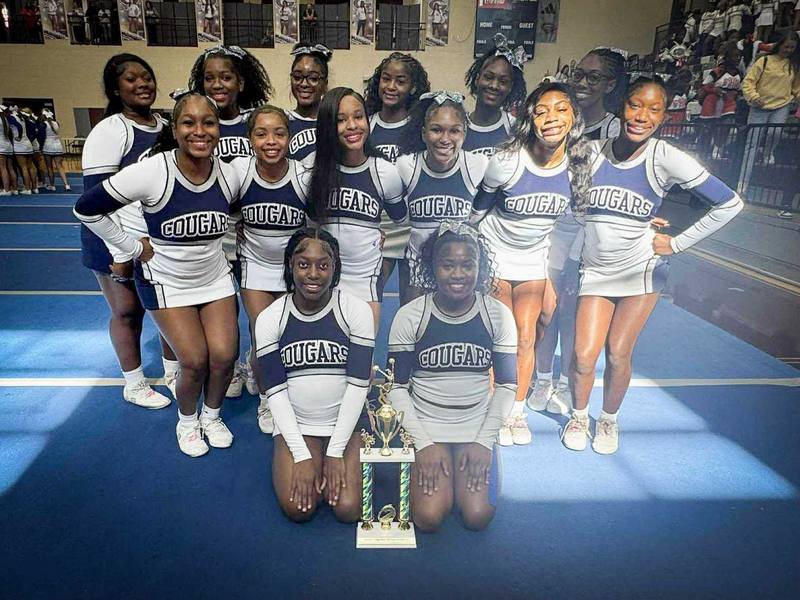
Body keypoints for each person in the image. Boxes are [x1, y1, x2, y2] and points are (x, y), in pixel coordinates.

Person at [565, 77, 744, 455]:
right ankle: (578, 415)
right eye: (634, 105)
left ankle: (609, 420)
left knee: (618, 352)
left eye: (653, 109)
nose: (641, 116)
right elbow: (566, 201)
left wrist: (677, 243)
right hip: (595, 271)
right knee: (583, 356)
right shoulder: (590, 152)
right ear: (621, 106)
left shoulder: (666, 157)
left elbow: (730, 203)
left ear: (664, 117)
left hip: (641, 271)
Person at [75, 92, 242, 458]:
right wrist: (130, 248)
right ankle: (187, 422)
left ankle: (212, 417)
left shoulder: (230, 173)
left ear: (218, 128)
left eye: (208, 123)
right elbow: (87, 208)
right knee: (194, 360)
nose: (199, 131)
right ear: (175, 129)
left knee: (226, 356)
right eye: (189, 122)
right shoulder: (154, 170)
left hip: (213, 278)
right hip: (165, 282)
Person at [469, 82, 592, 446]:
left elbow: (574, 224)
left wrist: (555, 273)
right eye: (541, 111)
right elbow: (475, 215)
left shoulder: (579, 166)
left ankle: (516, 411)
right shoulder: (507, 161)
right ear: (530, 119)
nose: (551, 117)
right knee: (500, 338)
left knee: (527, 336)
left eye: (561, 109)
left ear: (574, 116)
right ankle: (495, 411)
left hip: (534, 259)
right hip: (494, 254)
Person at [387, 222, 517, 532]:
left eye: (467, 265)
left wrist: (485, 442)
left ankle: (473, 465)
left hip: (475, 426)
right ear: (432, 267)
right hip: (427, 425)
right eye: (448, 265)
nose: (458, 274)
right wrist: (423, 444)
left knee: (477, 515)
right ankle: (438, 467)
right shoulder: (411, 315)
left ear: (479, 267)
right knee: (428, 518)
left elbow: (507, 384)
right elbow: (396, 387)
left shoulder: (497, 314)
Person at [79, 54, 177, 410]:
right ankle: (134, 384)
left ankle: (173, 373)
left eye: (147, 77)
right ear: (115, 88)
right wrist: (121, 252)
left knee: (169, 308)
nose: (142, 84)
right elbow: (95, 200)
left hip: (154, 241)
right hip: (113, 239)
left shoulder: (165, 124)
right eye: (131, 79)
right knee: (127, 312)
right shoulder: (110, 130)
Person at [254, 227, 373, 522]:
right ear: (290, 266)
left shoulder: (356, 311)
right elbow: (276, 393)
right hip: (298, 422)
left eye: (323, 265)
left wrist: (335, 451)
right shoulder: (270, 318)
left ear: (335, 269)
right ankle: (308, 452)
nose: (313, 274)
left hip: (345, 422)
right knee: (299, 509)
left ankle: (330, 454)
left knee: (348, 509)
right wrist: (301, 454)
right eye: (304, 264)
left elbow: (359, 386)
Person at [188, 44, 273, 395]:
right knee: (221, 305)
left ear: (241, 81)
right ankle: (230, 363)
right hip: (210, 236)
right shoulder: (195, 123)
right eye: (209, 78)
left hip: (251, 233)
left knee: (256, 306)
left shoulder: (254, 121)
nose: (217, 84)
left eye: (226, 77)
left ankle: (255, 360)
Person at [230, 105, 310, 433]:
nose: (271, 141)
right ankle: (267, 399)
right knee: (264, 333)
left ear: (289, 138)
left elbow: (319, 223)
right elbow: (219, 205)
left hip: (291, 270)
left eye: (279, 133)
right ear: (249, 139)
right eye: (261, 133)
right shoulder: (239, 171)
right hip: (255, 266)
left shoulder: (303, 175)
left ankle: (282, 384)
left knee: (289, 336)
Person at [308, 87, 407, 330]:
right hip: (323, 279)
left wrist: (380, 241)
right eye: (340, 120)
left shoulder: (385, 171)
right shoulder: (312, 168)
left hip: (365, 280)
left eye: (358, 116)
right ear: (328, 126)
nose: (352, 125)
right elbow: (307, 223)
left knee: (362, 359)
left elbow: (401, 222)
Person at [396, 91, 488, 304]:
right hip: (417, 271)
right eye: (436, 130)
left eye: (454, 131)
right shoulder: (406, 165)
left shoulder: (477, 165)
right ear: (423, 133)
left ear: (464, 133)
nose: (445, 139)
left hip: (460, 271)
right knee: (414, 330)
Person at [364, 52, 431, 293]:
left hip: (411, 226)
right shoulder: (366, 124)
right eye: (386, 79)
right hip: (378, 225)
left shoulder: (420, 128)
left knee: (412, 304)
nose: (391, 86)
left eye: (400, 81)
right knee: (371, 293)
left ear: (413, 88)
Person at [739, 29, 800, 218]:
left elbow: (797, 88)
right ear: (779, 44)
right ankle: (742, 186)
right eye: (786, 46)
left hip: (781, 105)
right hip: (759, 105)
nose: (788, 50)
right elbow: (748, 82)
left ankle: (767, 153)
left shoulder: (793, 66)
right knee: (751, 144)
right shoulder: (764, 61)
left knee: (776, 133)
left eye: (792, 47)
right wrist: (754, 97)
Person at [463, 33, 527, 156]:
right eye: (488, 77)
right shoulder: (459, 126)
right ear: (477, 79)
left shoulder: (515, 128)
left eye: (503, 81)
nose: (494, 86)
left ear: (510, 87)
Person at [286, 43, 332, 161]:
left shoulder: (335, 121)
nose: (304, 84)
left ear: (325, 84)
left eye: (313, 79)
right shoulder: (282, 121)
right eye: (297, 77)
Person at [569, 47, 627, 140]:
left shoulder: (615, 131)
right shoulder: (563, 122)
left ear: (610, 86)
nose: (582, 83)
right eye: (578, 75)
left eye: (594, 78)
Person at [39, 109, 71, 191]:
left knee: (49, 167)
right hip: (57, 145)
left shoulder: (44, 124)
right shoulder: (56, 123)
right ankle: (66, 184)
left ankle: (52, 185)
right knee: (60, 166)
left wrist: (40, 147)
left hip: (47, 146)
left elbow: (42, 137)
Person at [0, 105, 15, 196]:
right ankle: (14, 187)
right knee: (10, 168)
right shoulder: (5, 119)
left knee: (3, 168)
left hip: (1, 145)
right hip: (8, 144)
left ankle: (6, 189)